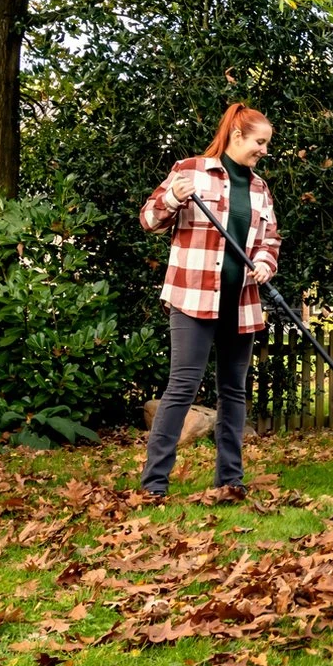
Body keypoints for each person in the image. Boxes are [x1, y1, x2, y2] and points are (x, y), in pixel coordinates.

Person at [138, 103, 280, 500]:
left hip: (241, 302)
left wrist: (265, 264)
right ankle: (154, 484)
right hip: (193, 298)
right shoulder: (190, 170)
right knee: (182, 386)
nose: (264, 150)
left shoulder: (259, 188)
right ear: (237, 136)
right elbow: (148, 220)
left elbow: (270, 239)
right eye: (260, 142)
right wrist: (171, 200)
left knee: (234, 391)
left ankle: (230, 480)